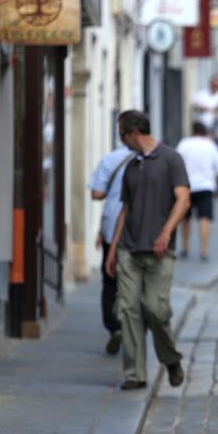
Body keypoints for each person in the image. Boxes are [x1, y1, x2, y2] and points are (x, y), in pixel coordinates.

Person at [105, 110, 190, 391]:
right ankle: (134, 374)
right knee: (128, 309)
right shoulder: (131, 166)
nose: (121, 139)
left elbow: (183, 200)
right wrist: (113, 249)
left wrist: (166, 232)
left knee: (155, 309)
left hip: (159, 251)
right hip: (129, 248)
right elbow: (124, 210)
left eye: (121, 133)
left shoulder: (170, 159)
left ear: (133, 132)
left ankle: (170, 359)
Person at [88, 144, 134, 355]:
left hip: (111, 224)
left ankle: (114, 326)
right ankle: (131, 328)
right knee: (134, 282)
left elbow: (96, 193)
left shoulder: (110, 159)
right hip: (138, 232)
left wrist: (113, 190)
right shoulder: (154, 159)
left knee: (110, 281)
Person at [176, 122, 218, 260]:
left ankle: (185, 247)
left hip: (186, 186)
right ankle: (204, 250)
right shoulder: (210, 145)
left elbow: (176, 163)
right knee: (205, 217)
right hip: (206, 186)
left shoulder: (184, 144)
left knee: (185, 218)